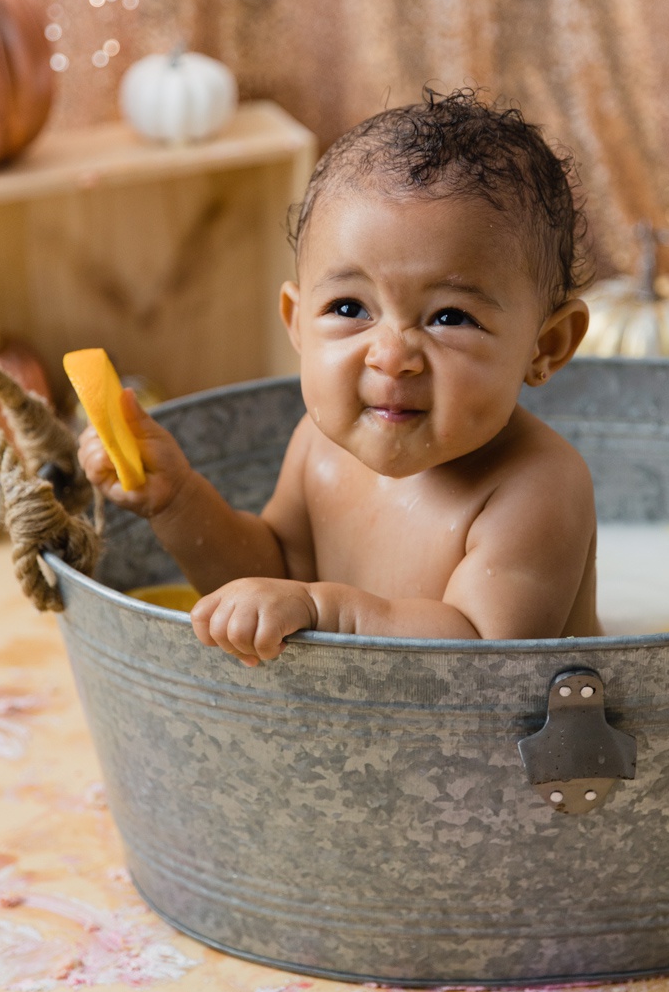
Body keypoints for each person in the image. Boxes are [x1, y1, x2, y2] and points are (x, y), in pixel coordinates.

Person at [78, 89, 601, 663]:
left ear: (545, 347)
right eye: (350, 308)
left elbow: (484, 656)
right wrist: (178, 502)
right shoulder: (320, 447)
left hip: (516, 749)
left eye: (451, 317)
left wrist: (324, 611)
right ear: (297, 322)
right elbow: (271, 575)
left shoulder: (535, 486)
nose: (392, 356)